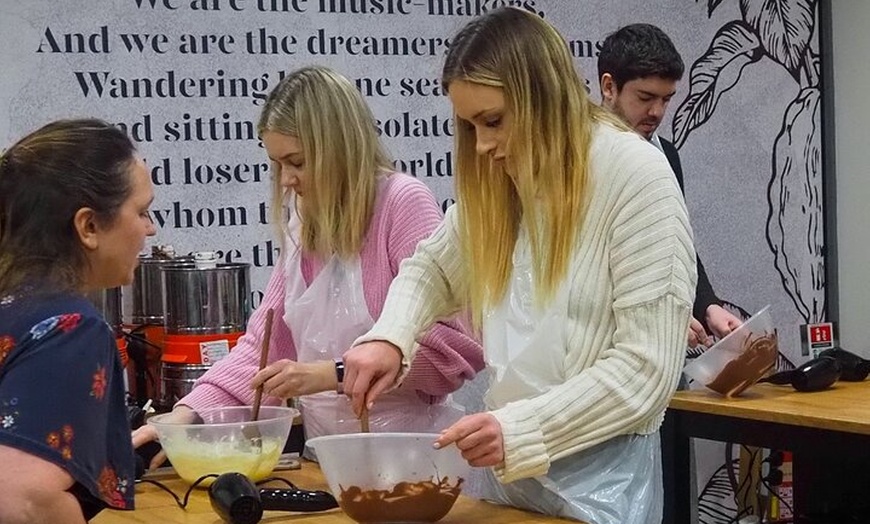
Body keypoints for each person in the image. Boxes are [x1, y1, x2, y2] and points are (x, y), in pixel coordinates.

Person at [341, 8, 696, 524]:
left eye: (493, 121)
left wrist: (521, 430)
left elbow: (646, 372)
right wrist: (390, 335)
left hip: (602, 482)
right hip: (508, 473)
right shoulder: (503, 181)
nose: (482, 145)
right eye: (470, 126)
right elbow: (433, 270)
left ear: (543, 97)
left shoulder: (637, 177)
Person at [133, 66, 483, 466]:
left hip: (412, 458)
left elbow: (454, 350)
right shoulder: (303, 222)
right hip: (329, 462)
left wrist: (332, 374)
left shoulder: (402, 203)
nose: (286, 180)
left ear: (338, 149)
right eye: (277, 164)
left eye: (297, 162)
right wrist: (188, 416)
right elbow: (264, 345)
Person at [0, 119, 156, 522]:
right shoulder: (69, 328)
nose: (150, 229)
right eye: (142, 211)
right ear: (88, 226)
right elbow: (24, 499)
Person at [597, 23, 743, 347]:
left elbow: (675, 243)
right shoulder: (577, 158)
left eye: (667, 99)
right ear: (609, 87)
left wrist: (707, 305)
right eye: (646, 97)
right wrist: (660, 316)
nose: (657, 112)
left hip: (660, 353)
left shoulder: (666, 155)